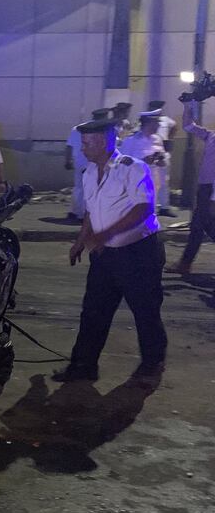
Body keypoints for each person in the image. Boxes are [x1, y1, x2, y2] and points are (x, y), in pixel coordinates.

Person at [53, 118, 166, 382]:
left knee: (145, 312)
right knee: (93, 311)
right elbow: (91, 211)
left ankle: (152, 365)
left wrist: (104, 235)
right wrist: (81, 241)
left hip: (138, 254)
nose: (82, 149)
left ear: (103, 141)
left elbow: (143, 208)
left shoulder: (132, 168)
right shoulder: (90, 172)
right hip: (105, 255)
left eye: (87, 143)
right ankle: (83, 366)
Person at [166, 101, 215, 274]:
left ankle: (185, 264)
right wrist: (188, 106)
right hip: (205, 189)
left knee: (199, 226)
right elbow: (188, 126)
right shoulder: (210, 135)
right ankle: (185, 264)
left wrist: (212, 198)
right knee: (199, 226)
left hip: (211, 191)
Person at [121, 109, 168, 214]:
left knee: (151, 207)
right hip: (136, 181)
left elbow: (163, 159)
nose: (159, 126)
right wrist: (142, 161)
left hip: (153, 180)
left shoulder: (157, 139)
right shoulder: (131, 140)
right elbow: (122, 161)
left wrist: (162, 161)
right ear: (148, 123)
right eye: (156, 123)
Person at [66, 109, 109, 222]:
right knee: (91, 188)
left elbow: (69, 146)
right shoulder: (99, 129)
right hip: (91, 162)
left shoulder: (77, 128)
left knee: (78, 188)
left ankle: (76, 212)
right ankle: (85, 214)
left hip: (78, 162)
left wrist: (67, 160)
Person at [148, 100, 178, 217]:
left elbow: (175, 126)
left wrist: (170, 138)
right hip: (150, 152)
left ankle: (164, 207)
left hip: (162, 152)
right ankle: (152, 208)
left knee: (164, 181)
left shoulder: (165, 120)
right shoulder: (146, 119)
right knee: (151, 182)